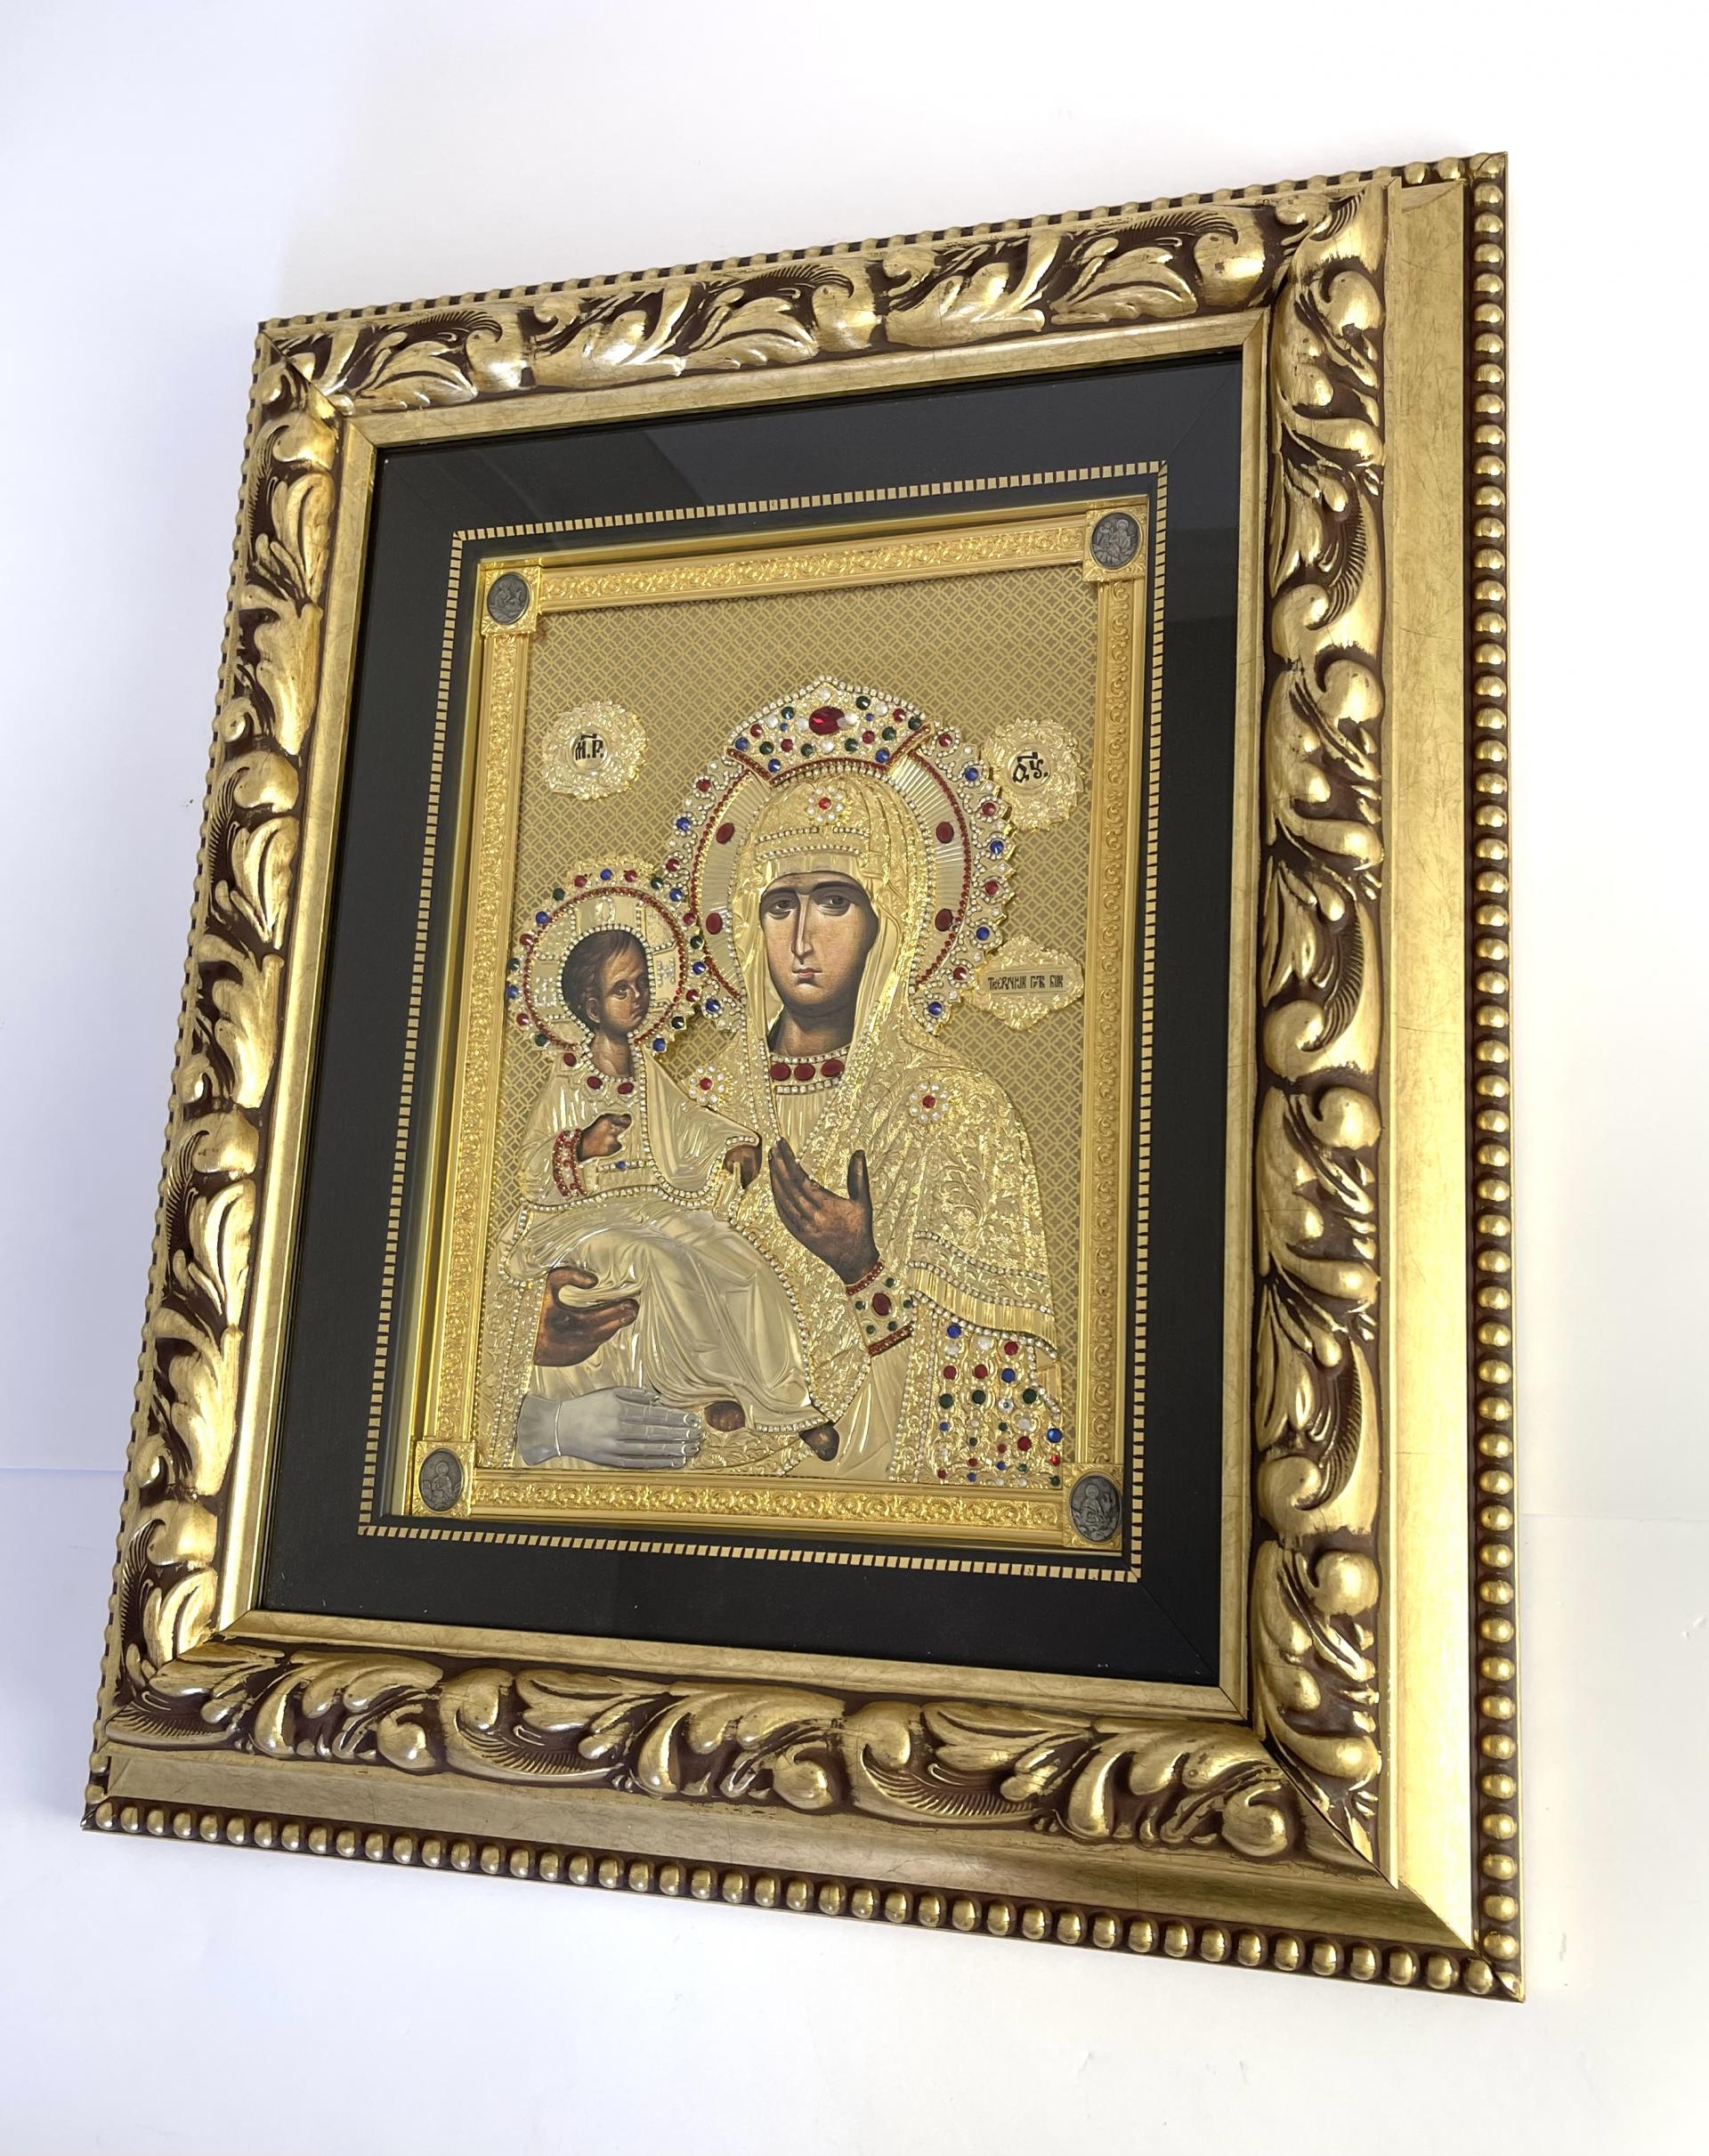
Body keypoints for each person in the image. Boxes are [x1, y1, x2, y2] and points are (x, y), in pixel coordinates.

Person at [529, 694, 1065, 1487]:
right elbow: (549, 1252)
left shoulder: (953, 1110)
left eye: (834, 902)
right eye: (780, 906)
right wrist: (549, 1378)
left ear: (892, 918)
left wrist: (862, 1270)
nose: (803, 939)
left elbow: (998, 1395)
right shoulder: (693, 1094)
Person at [500, 921, 844, 1467]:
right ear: (591, 1007)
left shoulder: (648, 1073)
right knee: (659, 1261)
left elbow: (687, 1123)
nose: (637, 996)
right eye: (621, 988)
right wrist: (581, 1147)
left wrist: (730, 1144)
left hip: (650, 1205)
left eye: (642, 983)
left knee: (739, 1259)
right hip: (580, 1219)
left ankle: (789, 1402)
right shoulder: (568, 1081)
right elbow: (529, 1170)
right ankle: (706, 1389)